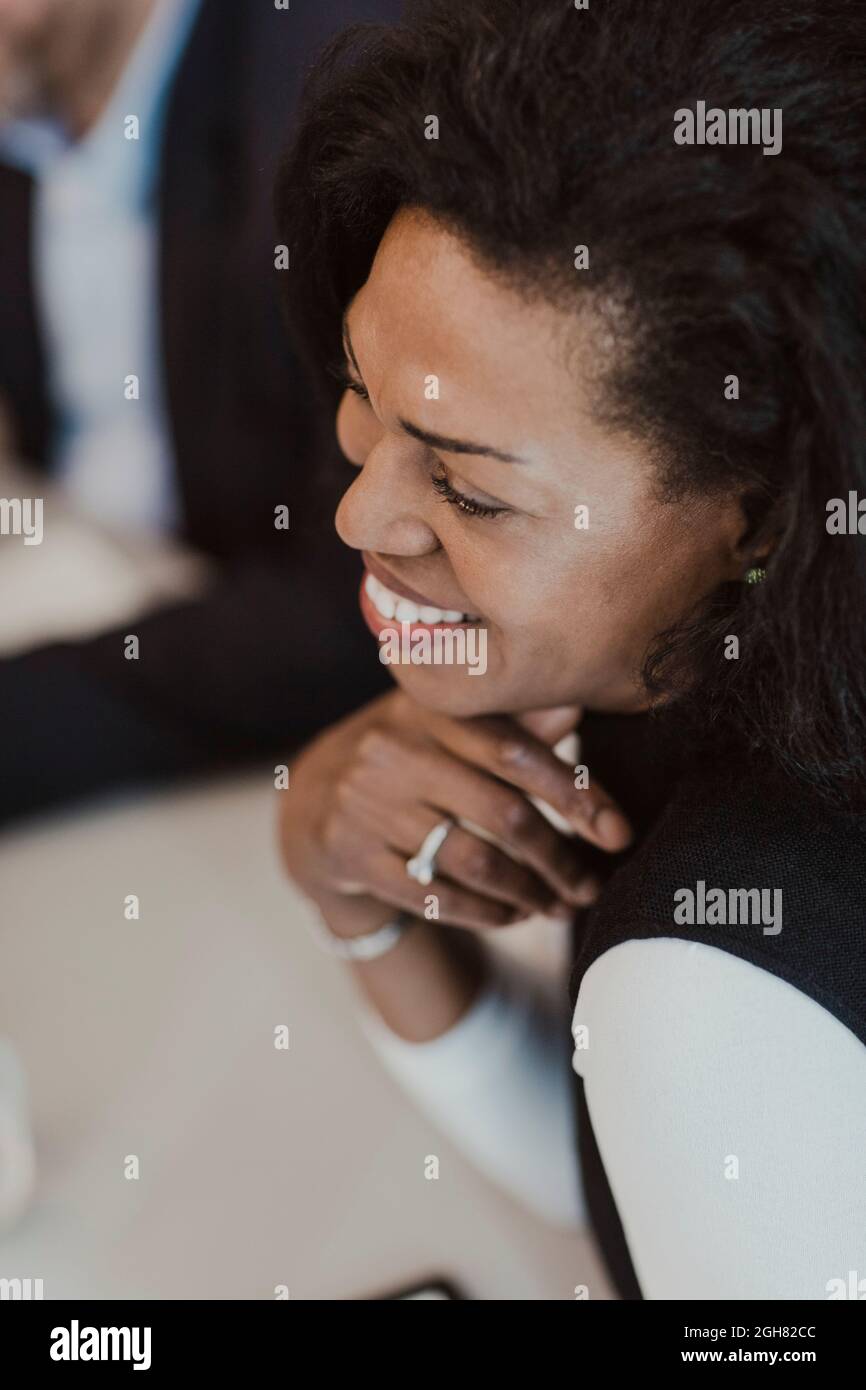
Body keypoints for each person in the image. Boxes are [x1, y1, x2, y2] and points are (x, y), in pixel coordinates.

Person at [276, 0, 866, 1299]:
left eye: (475, 494)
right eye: (363, 394)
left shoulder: (711, 987)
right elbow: (653, 1175)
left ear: (761, 517)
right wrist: (364, 912)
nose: (358, 513)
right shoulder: (713, 674)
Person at [0, 0, 399, 825]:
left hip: (270, 748)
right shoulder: (27, 92)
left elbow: (357, 611)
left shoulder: (336, 94)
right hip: (88, 581)